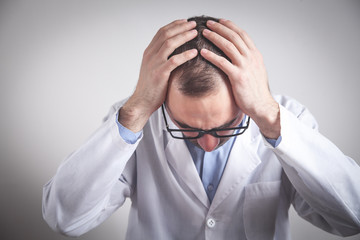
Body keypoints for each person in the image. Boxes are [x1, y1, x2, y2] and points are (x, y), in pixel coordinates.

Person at [42, 16, 360, 239]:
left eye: (225, 127)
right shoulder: (138, 121)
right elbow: (65, 219)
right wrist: (135, 110)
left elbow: (352, 218)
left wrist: (268, 115)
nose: (207, 143)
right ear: (164, 102)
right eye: (186, 127)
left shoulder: (287, 120)